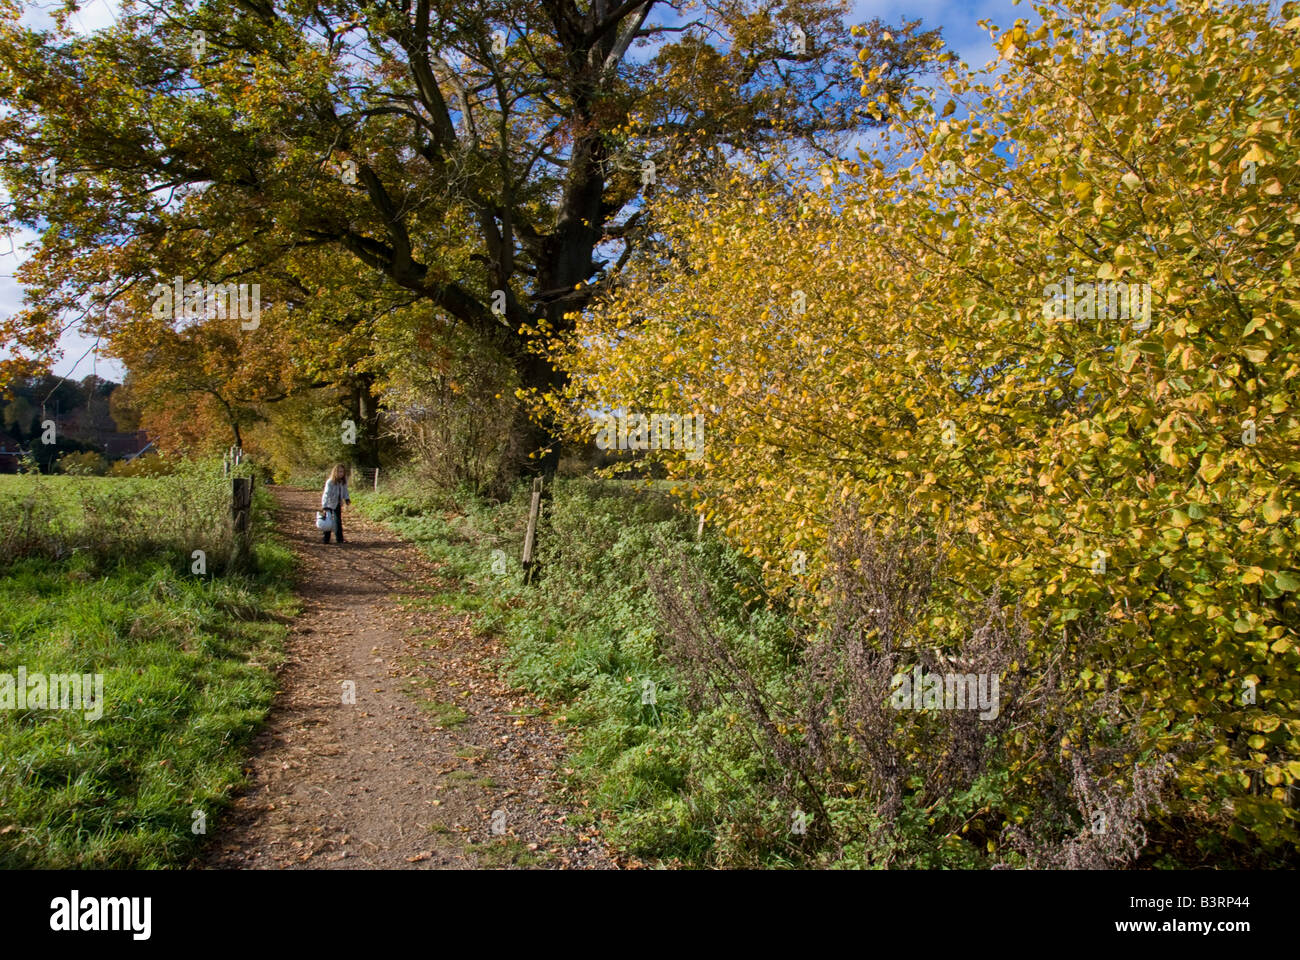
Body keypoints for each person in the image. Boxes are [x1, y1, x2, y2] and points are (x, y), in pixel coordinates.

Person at [321, 463, 351, 544]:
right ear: (335, 472)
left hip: (338, 503)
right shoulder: (330, 482)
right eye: (339, 472)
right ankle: (326, 539)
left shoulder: (342, 482)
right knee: (328, 521)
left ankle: (339, 539)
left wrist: (347, 498)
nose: (341, 474)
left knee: (338, 521)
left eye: (342, 472)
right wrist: (324, 505)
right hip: (329, 503)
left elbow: (345, 491)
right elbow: (326, 494)